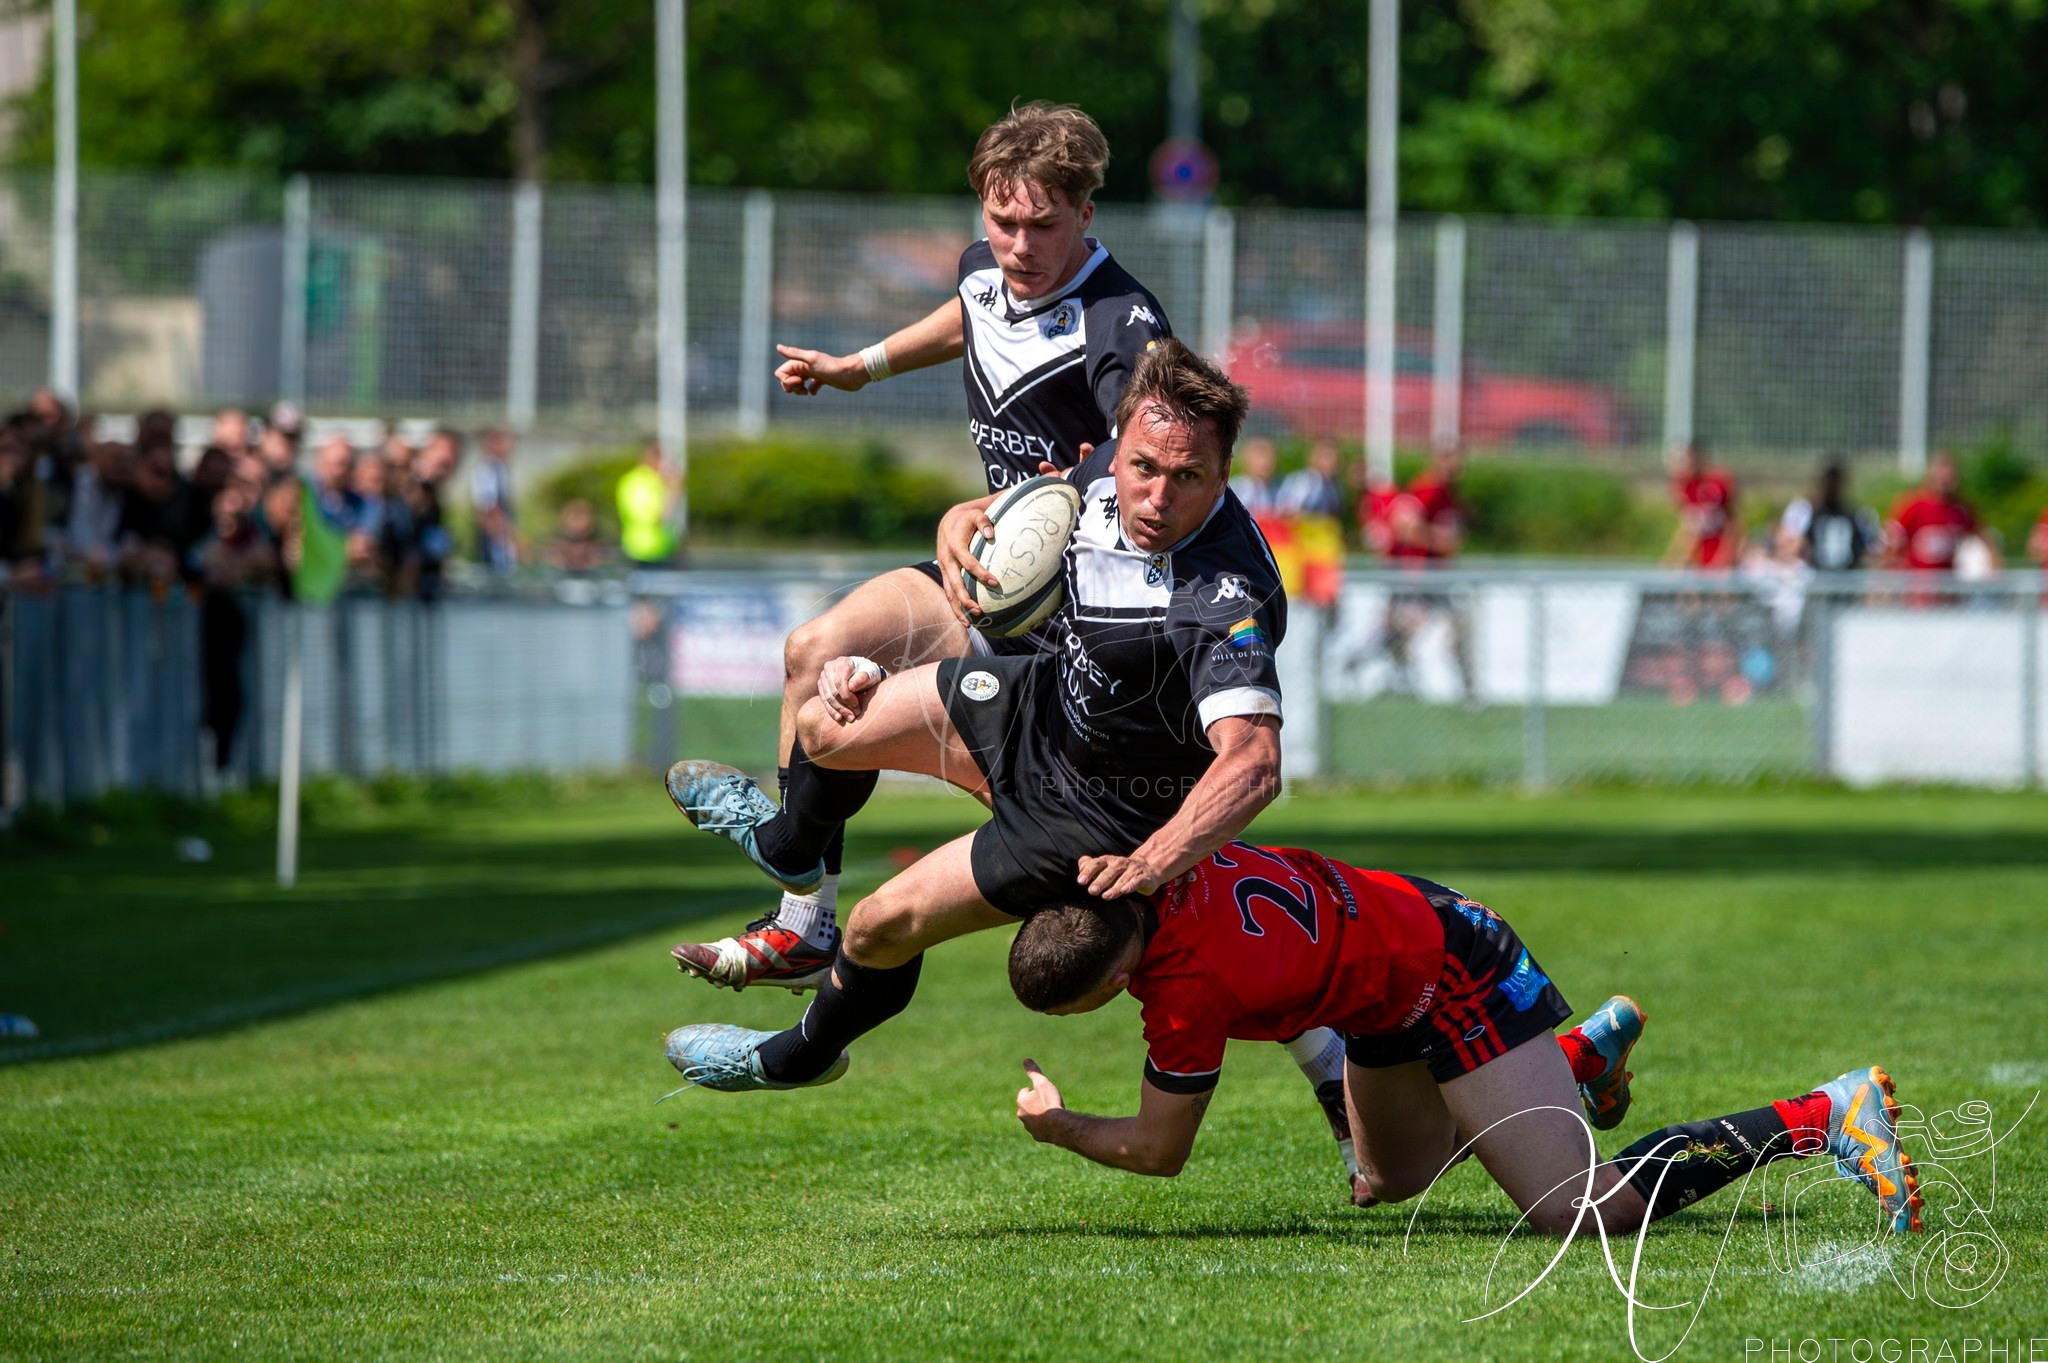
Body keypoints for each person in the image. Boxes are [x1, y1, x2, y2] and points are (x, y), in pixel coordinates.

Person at [664, 343, 1359, 1184]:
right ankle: (791, 865)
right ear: (1121, 438)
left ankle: (800, 1052)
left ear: (1225, 474)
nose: (1156, 495)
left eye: (1189, 478)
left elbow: (1253, 763)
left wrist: (1149, 863)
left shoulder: (1221, 593)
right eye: (1143, 466)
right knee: (825, 714)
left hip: (1090, 815)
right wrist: (966, 514)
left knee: (880, 926)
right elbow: (1028, 504)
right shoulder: (1114, 460)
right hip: (1034, 707)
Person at [680, 100, 1174, 993]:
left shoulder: (1121, 322)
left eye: (1044, 225)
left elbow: (1143, 455)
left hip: (1074, 629)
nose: (1019, 244)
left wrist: (993, 500)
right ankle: (803, 923)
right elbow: (968, 313)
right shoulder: (988, 266)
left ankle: (1319, 1041)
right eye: (1002, 220)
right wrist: (856, 366)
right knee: (817, 652)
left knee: (1111, 875)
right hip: (985, 580)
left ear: (1087, 214)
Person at [1001, 842, 1924, 1238]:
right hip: (1385, 983)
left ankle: (1825, 1112)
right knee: (1387, 1181)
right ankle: (1567, 1065)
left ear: (1117, 980)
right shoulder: (1145, 855)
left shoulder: (1186, 995)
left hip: (1454, 971)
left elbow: (1160, 1150)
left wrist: (1061, 1125)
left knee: (1577, 1210)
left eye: (1073, 1010)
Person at [1884, 451, 1985, 573]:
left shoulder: (1960, 508)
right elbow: (1893, 540)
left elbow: (1981, 533)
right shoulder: (1914, 504)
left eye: (1950, 476)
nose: (1946, 480)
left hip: (1948, 583)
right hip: (1917, 584)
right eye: (1941, 474)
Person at [1780, 457, 1878, 571]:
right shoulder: (1808, 512)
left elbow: (1866, 547)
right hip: (1817, 578)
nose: (1832, 487)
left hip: (1847, 579)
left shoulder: (1853, 515)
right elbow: (1795, 545)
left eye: (1835, 483)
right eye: (1829, 482)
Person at [1663, 441, 1742, 570]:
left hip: (1720, 548)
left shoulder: (1717, 482)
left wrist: (1728, 556)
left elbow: (1733, 525)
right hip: (1699, 552)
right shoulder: (1684, 488)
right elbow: (1688, 529)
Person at [616, 438, 679, 567]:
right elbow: (655, 518)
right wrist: (675, 492)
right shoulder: (639, 483)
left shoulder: (653, 481)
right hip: (645, 552)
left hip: (658, 550)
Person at [1228, 436, 1279, 518]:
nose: (1266, 462)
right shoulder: (1239, 487)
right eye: (1260, 456)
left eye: (1270, 456)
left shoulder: (1277, 487)